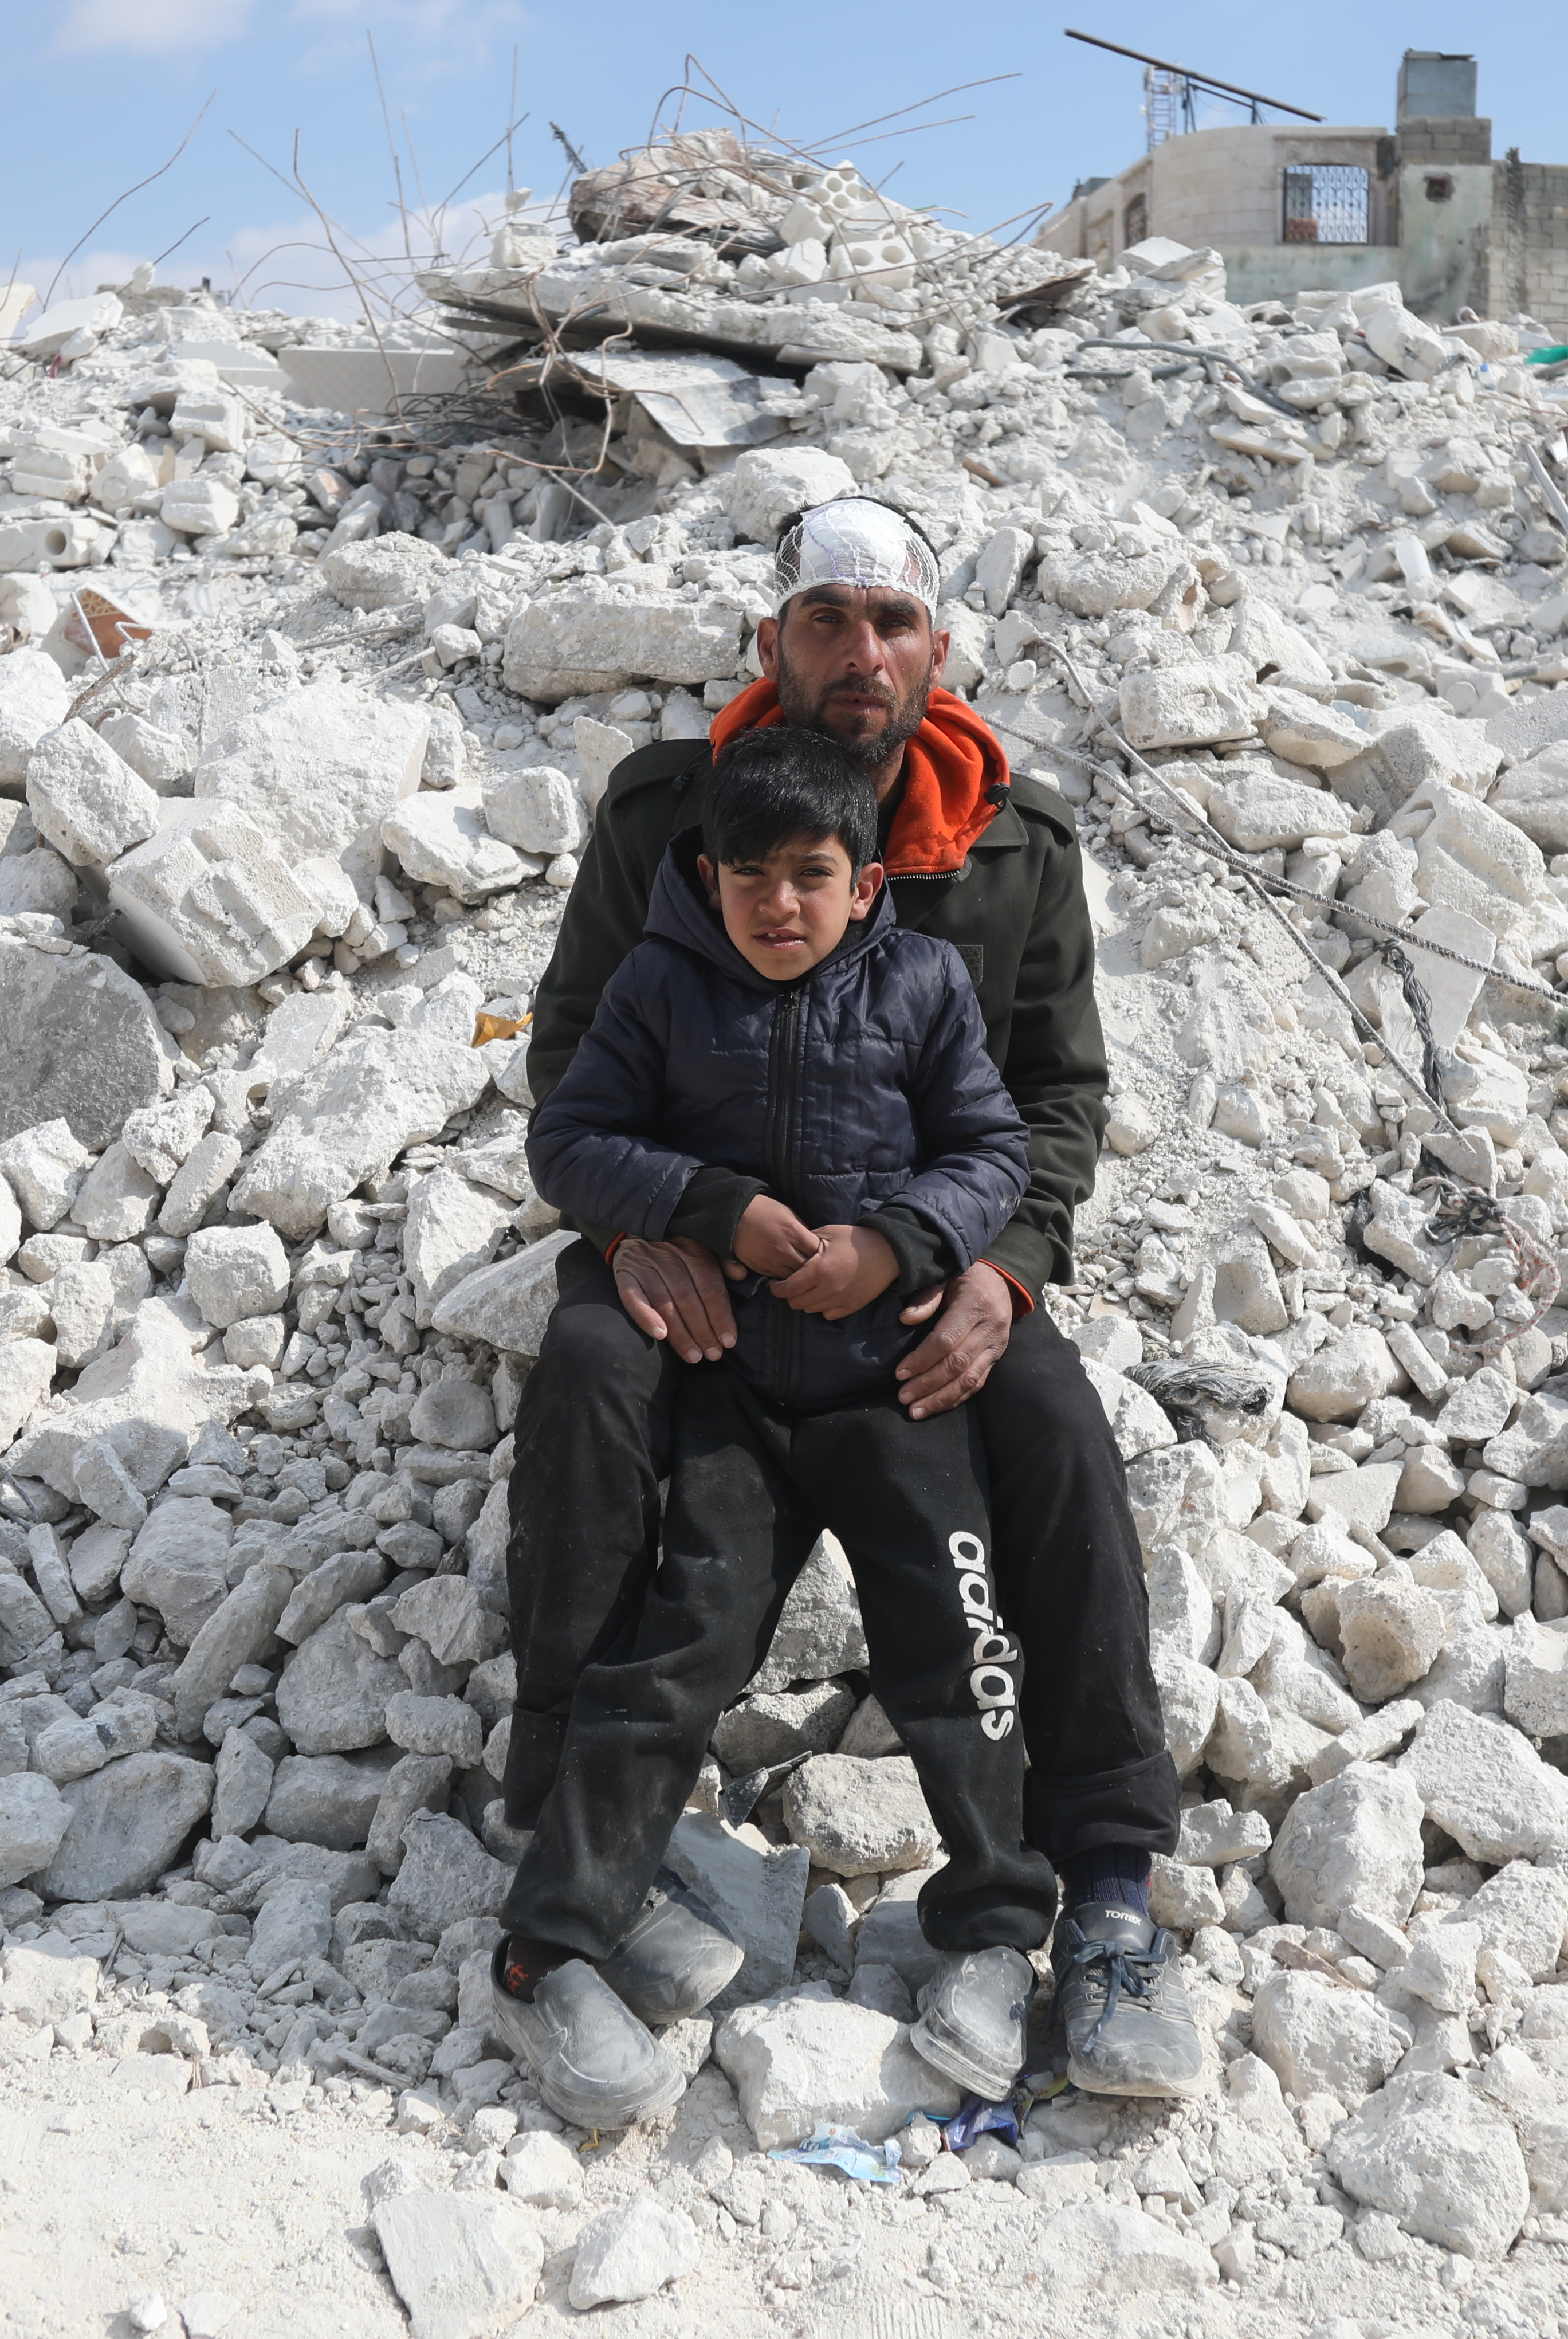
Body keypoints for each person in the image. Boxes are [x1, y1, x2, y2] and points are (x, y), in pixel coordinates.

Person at [513, 495, 1202, 2099]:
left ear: (938, 653)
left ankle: (1101, 1892)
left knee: (1048, 1417)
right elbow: (573, 1063)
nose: (859, 653)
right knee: (591, 1379)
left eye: (892, 625)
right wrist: (641, 1235)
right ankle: (557, 1840)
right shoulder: (666, 816)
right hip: (696, 1260)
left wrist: (998, 1271)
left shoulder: (1016, 844)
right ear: (775, 641)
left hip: (906, 1274)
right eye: (827, 619)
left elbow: (1047, 1106)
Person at [489, 726, 1048, 2125]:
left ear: (867, 883)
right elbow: (570, 1139)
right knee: (673, 1652)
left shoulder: (922, 986)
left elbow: (993, 1148)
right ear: (708, 874)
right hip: (734, 1394)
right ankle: (552, 1938)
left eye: (813, 874)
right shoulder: (659, 986)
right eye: (752, 874)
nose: (780, 903)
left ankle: (995, 1936)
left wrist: (904, 1244)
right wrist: (708, 1205)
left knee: (959, 1638)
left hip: (889, 1385)